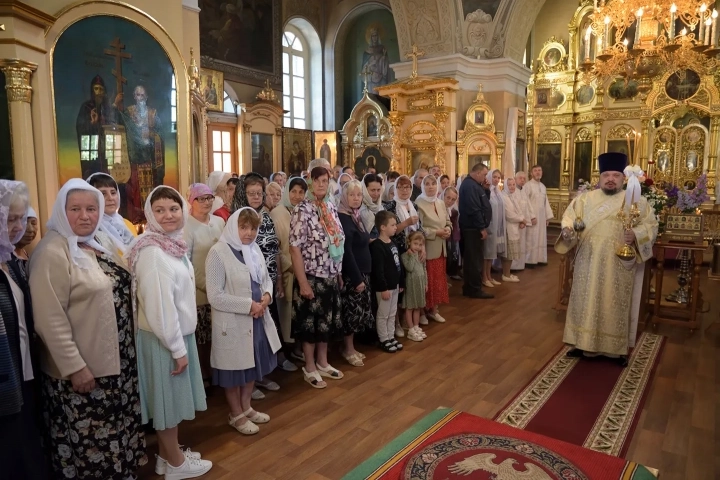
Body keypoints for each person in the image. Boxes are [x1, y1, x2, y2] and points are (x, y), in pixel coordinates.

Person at [30, 179, 147, 479]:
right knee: (92, 445)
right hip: (84, 372)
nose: (85, 216)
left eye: (91, 209)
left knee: (118, 431)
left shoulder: (99, 243)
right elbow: (49, 319)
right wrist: (75, 367)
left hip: (117, 362)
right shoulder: (51, 251)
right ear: (61, 211)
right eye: (76, 209)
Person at [127, 186, 211, 479]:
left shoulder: (170, 244)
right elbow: (160, 309)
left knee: (172, 401)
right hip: (163, 338)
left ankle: (166, 456)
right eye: (160, 210)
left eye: (173, 208)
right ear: (150, 213)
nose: (168, 215)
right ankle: (176, 464)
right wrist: (177, 348)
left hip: (173, 335)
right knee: (168, 405)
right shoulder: (152, 252)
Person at [560, 153, 657, 366]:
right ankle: (581, 343)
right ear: (600, 177)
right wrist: (567, 230)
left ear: (623, 178)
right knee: (585, 300)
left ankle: (615, 350)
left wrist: (637, 235)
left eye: (615, 175)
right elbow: (569, 218)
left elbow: (651, 225)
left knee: (613, 303)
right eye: (606, 175)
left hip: (618, 263)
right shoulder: (585, 200)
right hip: (588, 260)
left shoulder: (635, 200)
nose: (610, 179)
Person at [206, 207, 281, 435]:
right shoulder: (218, 252)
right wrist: (249, 305)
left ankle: (246, 407)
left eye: (253, 228)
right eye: (243, 227)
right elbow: (215, 296)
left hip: (257, 317)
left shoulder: (254, 248)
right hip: (234, 322)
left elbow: (265, 278)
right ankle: (236, 414)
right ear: (232, 227)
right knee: (234, 371)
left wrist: (267, 296)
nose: (248, 233)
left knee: (252, 365)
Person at [0, 181, 48, 479]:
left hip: (26, 373)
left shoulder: (12, 262)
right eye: (9, 219)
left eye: (22, 218)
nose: (18, 227)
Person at [290, 166, 345, 388]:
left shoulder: (330, 206)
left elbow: (337, 240)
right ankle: (310, 366)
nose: (322, 184)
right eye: (317, 180)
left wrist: (338, 271)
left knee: (326, 323)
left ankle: (323, 362)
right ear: (310, 183)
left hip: (330, 273)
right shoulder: (302, 209)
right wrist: (302, 282)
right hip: (311, 276)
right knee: (310, 325)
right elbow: (294, 247)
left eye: (325, 180)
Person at [231, 173, 285, 394]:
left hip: (268, 281)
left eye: (259, 193)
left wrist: (278, 279)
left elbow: (275, 249)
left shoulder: (266, 215)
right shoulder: (238, 218)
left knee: (264, 331)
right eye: (251, 193)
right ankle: (249, 379)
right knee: (250, 334)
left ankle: (261, 373)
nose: (255, 197)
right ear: (243, 194)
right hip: (247, 284)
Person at [184, 183, 225, 381]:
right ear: (191, 201)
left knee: (218, 334)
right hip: (200, 292)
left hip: (221, 289)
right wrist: (208, 285)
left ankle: (218, 373)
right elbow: (187, 262)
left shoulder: (218, 221)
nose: (207, 202)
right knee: (202, 337)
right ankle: (204, 378)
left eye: (209, 197)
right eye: (201, 198)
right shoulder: (187, 226)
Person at [269, 178, 307, 369]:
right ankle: (284, 353)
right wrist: (292, 267)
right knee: (285, 316)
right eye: (294, 191)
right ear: (287, 192)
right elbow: (276, 248)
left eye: (301, 192)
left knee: (299, 314)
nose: (297, 196)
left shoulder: (305, 211)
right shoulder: (277, 213)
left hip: (303, 271)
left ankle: (297, 349)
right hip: (287, 272)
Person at [337, 181, 374, 367]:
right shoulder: (343, 218)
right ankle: (347, 349)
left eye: (359, 195)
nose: (356, 198)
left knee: (358, 313)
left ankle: (350, 347)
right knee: (351, 314)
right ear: (345, 196)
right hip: (354, 274)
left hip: (363, 271)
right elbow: (346, 252)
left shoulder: (355, 216)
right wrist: (357, 278)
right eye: (352, 195)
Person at [122, 85, 165, 223]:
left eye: (142, 95)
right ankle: (136, 221)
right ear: (134, 97)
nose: (139, 98)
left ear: (146, 97)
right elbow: (125, 131)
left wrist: (151, 135)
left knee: (151, 192)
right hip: (135, 160)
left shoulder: (153, 114)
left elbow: (160, 134)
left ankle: (150, 219)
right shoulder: (128, 113)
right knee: (134, 192)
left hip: (150, 161)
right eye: (137, 95)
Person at [415, 175, 451, 323]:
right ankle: (424, 311)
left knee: (438, 280)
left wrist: (448, 229)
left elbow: (447, 221)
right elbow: (419, 228)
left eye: (433, 184)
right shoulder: (419, 202)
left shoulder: (440, 202)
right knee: (427, 281)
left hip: (441, 247)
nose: (430, 187)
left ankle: (434, 309)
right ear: (423, 186)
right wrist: (436, 232)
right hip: (427, 247)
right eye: (427, 184)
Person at [458, 163, 493, 299]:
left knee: (474, 259)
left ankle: (471, 287)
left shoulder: (475, 185)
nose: (485, 177)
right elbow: (474, 209)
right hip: (472, 229)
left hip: (473, 228)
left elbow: (484, 202)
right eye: (484, 174)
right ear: (477, 173)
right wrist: (481, 227)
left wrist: (486, 190)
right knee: (474, 260)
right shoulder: (470, 185)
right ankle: (474, 289)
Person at [370, 211, 403, 353]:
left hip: (394, 285)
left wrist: (401, 283)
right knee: (383, 314)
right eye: (393, 225)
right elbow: (379, 270)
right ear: (383, 227)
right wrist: (383, 288)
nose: (396, 227)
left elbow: (398, 264)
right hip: (385, 288)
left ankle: (391, 336)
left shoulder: (392, 243)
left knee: (392, 312)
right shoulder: (377, 246)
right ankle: (383, 339)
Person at [86, 173, 137, 254]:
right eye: (103, 193)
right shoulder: (90, 228)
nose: (110, 198)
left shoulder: (127, 224)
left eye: (113, 193)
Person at [401, 231, 428, 342]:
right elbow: (410, 268)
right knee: (410, 307)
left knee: (418, 307)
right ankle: (411, 328)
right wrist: (412, 256)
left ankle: (416, 326)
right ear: (409, 243)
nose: (417, 247)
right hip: (411, 285)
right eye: (415, 244)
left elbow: (424, 269)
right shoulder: (405, 255)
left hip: (420, 284)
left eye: (420, 244)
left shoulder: (421, 255)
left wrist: (426, 283)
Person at [525, 165, 554, 267]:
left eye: (539, 170)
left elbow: (545, 203)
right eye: (535, 171)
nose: (538, 172)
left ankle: (540, 258)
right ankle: (529, 260)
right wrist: (531, 216)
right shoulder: (527, 186)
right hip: (533, 217)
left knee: (541, 237)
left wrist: (546, 217)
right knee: (531, 238)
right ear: (531, 173)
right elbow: (526, 202)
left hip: (541, 217)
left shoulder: (543, 186)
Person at [500, 177, 528, 282]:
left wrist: (521, 220)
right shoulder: (504, 197)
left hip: (514, 227)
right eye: (509, 185)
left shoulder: (512, 196)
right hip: (507, 228)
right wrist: (522, 219)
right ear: (505, 186)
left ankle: (508, 273)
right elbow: (509, 215)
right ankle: (505, 274)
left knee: (511, 254)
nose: (512, 187)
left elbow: (518, 210)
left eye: (513, 184)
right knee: (508, 253)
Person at [483, 169, 505, 287]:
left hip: (497, 226)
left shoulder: (498, 191)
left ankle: (489, 276)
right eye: (494, 177)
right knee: (487, 253)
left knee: (492, 253)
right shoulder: (487, 191)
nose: (496, 179)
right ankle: (484, 277)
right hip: (489, 226)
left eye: (498, 177)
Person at [510, 171, 536, 272]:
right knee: (515, 244)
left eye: (524, 178)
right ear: (515, 179)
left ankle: (520, 265)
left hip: (523, 223)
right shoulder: (512, 192)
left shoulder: (523, 191)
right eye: (520, 178)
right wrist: (520, 220)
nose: (522, 180)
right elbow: (513, 208)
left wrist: (532, 216)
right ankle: (512, 266)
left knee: (522, 244)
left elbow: (528, 205)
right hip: (516, 224)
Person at [440, 186, 462, 280]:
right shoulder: (439, 207)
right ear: (443, 196)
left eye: (453, 199)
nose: (450, 201)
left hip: (450, 233)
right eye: (448, 198)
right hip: (439, 235)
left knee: (450, 254)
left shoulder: (449, 208)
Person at [12, 205, 37, 275]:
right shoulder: (5, 258)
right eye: (24, 223)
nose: (31, 229)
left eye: (33, 223)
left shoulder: (27, 254)